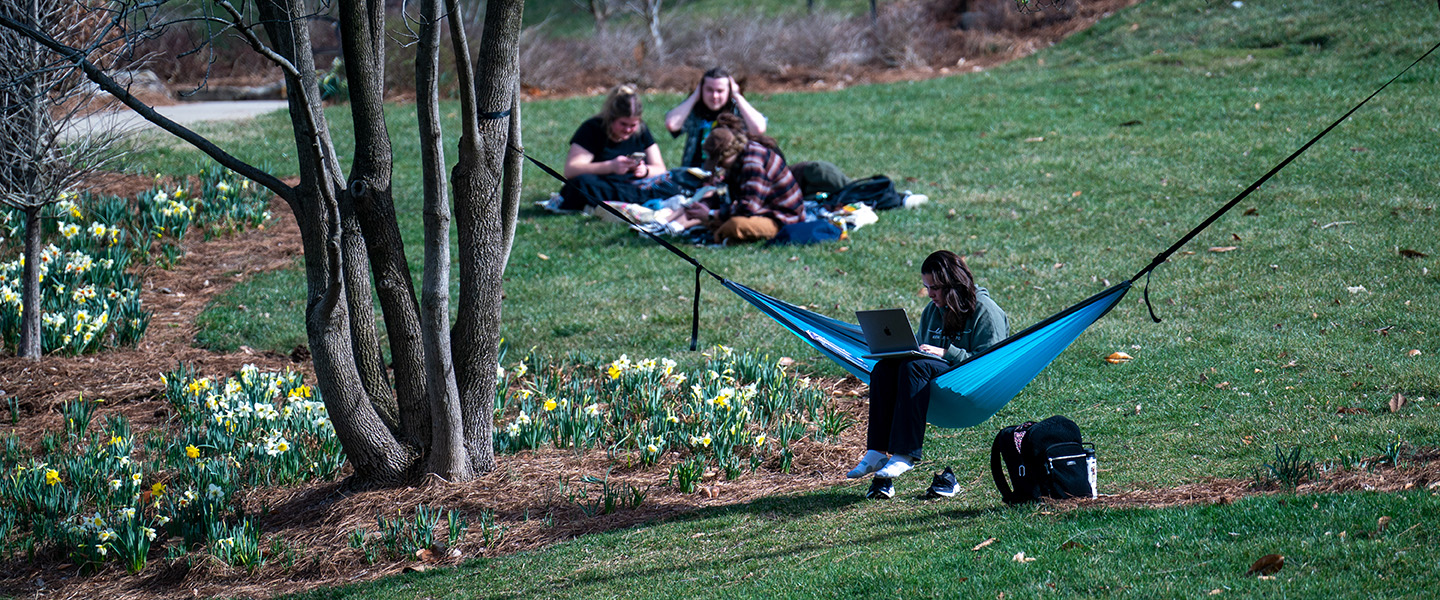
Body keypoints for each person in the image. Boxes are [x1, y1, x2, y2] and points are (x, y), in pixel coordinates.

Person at [847, 251, 1010, 497]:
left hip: (969, 380)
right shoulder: (932, 311)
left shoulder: (986, 311)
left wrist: (947, 352)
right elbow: (921, 354)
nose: (930, 294)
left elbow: (991, 364)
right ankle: (876, 452)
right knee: (883, 368)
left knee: (915, 367)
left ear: (953, 284)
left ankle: (905, 454)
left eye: (935, 287)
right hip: (933, 377)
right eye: (926, 287)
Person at [665, 113, 803, 244]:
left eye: (718, 162)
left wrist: (711, 215)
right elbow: (727, 194)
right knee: (722, 222)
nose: (718, 167)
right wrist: (705, 205)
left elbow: (748, 208)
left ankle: (722, 235)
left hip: (782, 219)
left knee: (734, 225)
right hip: (761, 211)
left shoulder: (753, 163)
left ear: (726, 155)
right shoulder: (738, 160)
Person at [546, 84, 669, 212]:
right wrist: (611, 166)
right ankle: (638, 200)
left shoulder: (641, 130)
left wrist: (645, 171)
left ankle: (626, 200)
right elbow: (571, 170)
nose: (628, 129)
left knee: (675, 178)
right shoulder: (592, 129)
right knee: (580, 184)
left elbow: (660, 168)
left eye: (633, 125)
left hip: (633, 184)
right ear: (611, 118)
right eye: (623, 124)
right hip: (603, 183)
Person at [664, 67, 768, 169]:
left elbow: (758, 128)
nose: (714, 96)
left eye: (720, 91)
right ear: (701, 89)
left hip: (730, 173)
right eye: (709, 90)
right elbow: (672, 124)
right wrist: (695, 96)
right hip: (695, 171)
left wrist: (737, 95)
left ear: (729, 91)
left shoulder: (737, 110)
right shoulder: (695, 110)